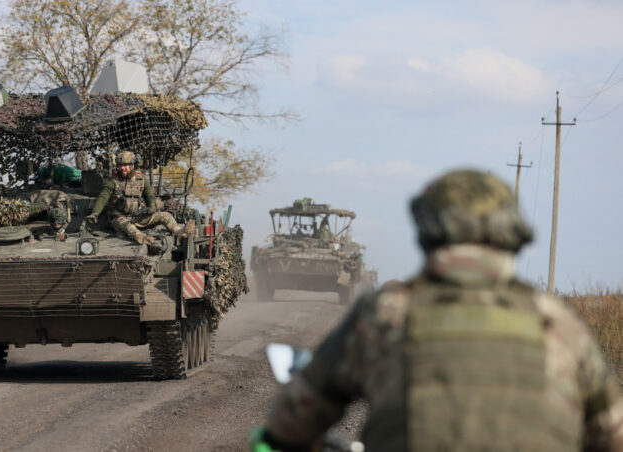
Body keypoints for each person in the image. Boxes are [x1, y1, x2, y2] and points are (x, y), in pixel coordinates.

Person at [254, 169, 623, 451]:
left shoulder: (385, 313)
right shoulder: (560, 323)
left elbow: (294, 421)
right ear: (514, 234)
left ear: (427, 230)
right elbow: (612, 432)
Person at [87, 151, 193, 245]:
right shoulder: (113, 181)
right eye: (120, 165)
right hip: (120, 219)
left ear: (132, 165)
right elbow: (103, 198)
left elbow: (150, 196)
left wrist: (152, 206)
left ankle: (180, 233)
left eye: (125, 165)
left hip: (139, 217)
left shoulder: (141, 179)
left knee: (165, 216)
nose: (122, 168)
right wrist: (95, 213)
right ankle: (141, 238)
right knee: (126, 225)